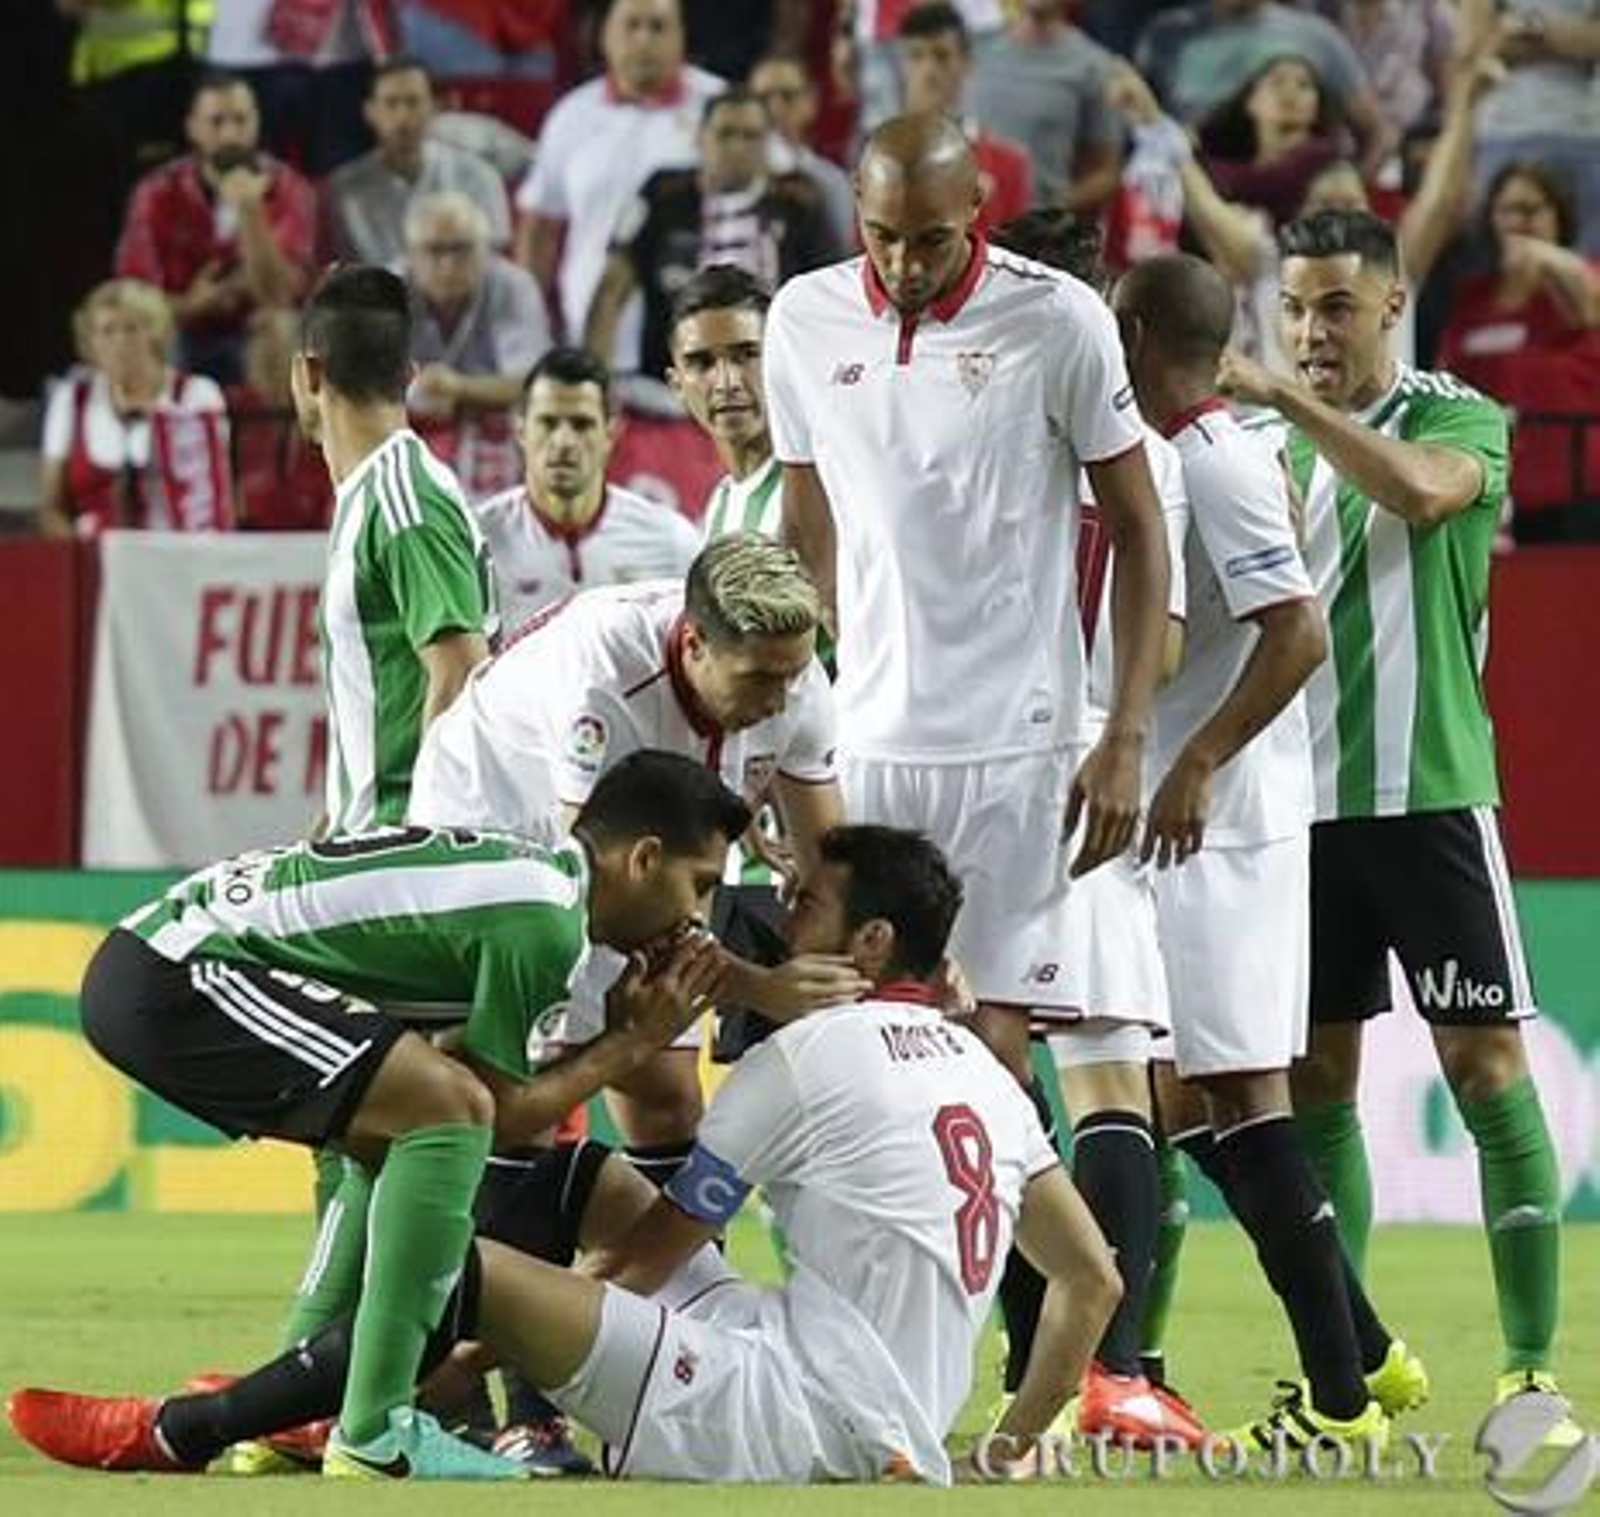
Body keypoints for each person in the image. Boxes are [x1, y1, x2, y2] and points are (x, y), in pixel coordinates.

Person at [15, 825, 1124, 1487]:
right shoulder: (984, 1068)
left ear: (870, 943)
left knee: (470, 1271)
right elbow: (1089, 1279)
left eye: (802, 904)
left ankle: (195, 1427)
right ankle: (347, 1392)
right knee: (575, 1181)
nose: (769, 919)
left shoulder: (807, 1058)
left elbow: (645, 1260)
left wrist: (484, 1339)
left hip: (789, 1413)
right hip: (852, 1375)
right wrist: (1004, 1446)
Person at [5, 751, 750, 1481]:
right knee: (445, 1113)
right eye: (702, 883)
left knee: (403, 1128)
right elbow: (496, 1116)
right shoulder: (545, 921)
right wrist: (633, 1041)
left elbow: (473, 1086)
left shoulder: (532, 885)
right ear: (646, 858)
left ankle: (302, 1420)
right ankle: (374, 1429)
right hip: (179, 972)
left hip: (160, 961)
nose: (697, 914)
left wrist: (617, 1037)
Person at [1217, 208, 1581, 1446]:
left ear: (1388, 306)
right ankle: (1349, 1383)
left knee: (1484, 1070)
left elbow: (1423, 495)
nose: (1311, 330)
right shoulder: (1250, 442)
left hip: (1426, 795)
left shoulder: (1451, 413)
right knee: (1317, 1083)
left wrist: (1282, 397)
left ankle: (1529, 1370)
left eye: (1333, 306)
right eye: (1293, 306)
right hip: (1290, 811)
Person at [768, 112, 1171, 1094]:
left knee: (991, 1036)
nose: (904, 263)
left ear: (977, 207)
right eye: (883, 236)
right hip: (868, 734)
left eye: (931, 238)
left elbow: (1139, 526)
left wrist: (1121, 732)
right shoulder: (801, 320)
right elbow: (801, 531)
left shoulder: (1059, 317)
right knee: (854, 1027)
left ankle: (1002, 1251)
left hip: (1017, 746)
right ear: (856, 210)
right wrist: (779, 725)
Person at [1116, 251, 1430, 1453]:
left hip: (1222, 823)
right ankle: (1364, 1353)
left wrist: (1195, 758)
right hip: (1182, 814)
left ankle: (1343, 1394)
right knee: (1176, 1096)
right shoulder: (1188, 452)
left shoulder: (1220, 459)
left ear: (1138, 335)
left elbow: (1296, 634)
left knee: (1234, 1092)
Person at [983, 208, 1198, 1450]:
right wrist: (1117, 727)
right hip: (1075, 759)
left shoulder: (974, 423)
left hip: (968, 762)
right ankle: (1103, 1373)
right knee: (1109, 1067)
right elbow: (1159, 646)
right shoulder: (1141, 456)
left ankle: (1038, 1367)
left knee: (992, 1078)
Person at [292, 264, 496, 838]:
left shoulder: (402, 501)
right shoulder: (379, 491)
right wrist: (331, 827)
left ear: (310, 372)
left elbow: (461, 672)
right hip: (371, 836)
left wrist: (417, 841)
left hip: (404, 845)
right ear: (408, 374)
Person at [513, 0, 723, 363]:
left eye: (658, 27)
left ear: (681, 36)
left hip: (700, 338)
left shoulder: (721, 109)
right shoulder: (571, 115)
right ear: (604, 35)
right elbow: (540, 232)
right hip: (590, 333)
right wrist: (534, 327)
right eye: (631, 25)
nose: (643, 39)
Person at [583, 88, 838, 383]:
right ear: (699, 137)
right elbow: (611, 290)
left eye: (750, 136)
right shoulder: (662, 194)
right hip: (668, 387)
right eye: (725, 134)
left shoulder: (798, 202)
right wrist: (597, 382)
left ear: (768, 143)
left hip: (772, 386)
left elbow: (826, 302)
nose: (737, 147)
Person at [475, 347, 701, 633]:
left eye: (581, 424)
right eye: (548, 422)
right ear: (520, 430)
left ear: (610, 434)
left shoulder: (672, 543)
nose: (564, 440)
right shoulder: (476, 542)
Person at [113, 71, 316, 385]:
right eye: (217, 122)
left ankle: (273, 433)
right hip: (182, 327)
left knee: (281, 328)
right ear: (192, 127)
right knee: (146, 332)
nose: (230, 133)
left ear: (257, 122)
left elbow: (278, 293)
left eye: (240, 120)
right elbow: (132, 294)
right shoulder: (156, 193)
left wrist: (251, 210)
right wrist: (192, 304)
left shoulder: (290, 187)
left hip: (255, 328)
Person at [1437, 160, 1600, 543]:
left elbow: (1590, 304)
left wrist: (1541, 253)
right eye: (1507, 210)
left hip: (1575, 485)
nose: (1517, 221)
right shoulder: (1473, 296)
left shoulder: (1578, 284)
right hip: (1493, 482)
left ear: (1559, 216)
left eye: (1531, 209)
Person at [40, 278, 232, 537]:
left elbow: (215, 492)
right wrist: (79, 557)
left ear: (154, 333)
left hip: (176, 551)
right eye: (107, 331)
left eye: (131, 329)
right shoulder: (72, 400)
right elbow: (51, 506)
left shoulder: (196, 394)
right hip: (94, 554)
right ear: (91, 343)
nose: (120, 342)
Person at [1134, 0, 1393, 179]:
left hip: (1294, 217)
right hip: (1194, 209)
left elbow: (1379, 135)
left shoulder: (1316, 38)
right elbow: (1136, 131)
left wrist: (1341, 201)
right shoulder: (1165, 35)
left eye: (1301, 85)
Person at [326, 56, 513, 266]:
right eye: (391, 103)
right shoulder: (343, 187)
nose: (403, 116)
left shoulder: (479, 175)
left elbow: (493, 264)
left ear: (436, 107)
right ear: (370, 112)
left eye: (413, 102)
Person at [967, 0, 1123, 213]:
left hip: (1034, 233)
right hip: (971, 223)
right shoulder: (977, 49)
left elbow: (1106, 172)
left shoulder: (1093, 65)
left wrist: (1051, 210)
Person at [896, 4, 1035, 236]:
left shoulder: (1009, 166)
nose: (928, 70)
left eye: (941, 56)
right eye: (916, 56)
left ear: (967, 62)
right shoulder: (879, 161)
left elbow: (1017, 259)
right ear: (902, 65)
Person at [666, 265, 782, 540]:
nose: (727, 383)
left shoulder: (821, 486)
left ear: (784, 360)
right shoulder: (721, 501)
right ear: (677, 385)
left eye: (746, 355)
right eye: (702, 363)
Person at [749, 53, 856, 252]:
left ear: (811, 101)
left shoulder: (832, 180)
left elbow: (841, 254)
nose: (775, 107)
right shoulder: (731, 174)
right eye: (763, 99)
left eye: (787, 96)